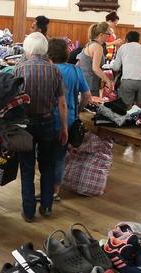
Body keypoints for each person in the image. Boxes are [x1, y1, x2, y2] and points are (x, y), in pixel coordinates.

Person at [13, 32, 67, 222]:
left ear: (27, 49)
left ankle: (28, 212)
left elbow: (13, 101)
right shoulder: (54, 71)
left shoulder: (19, 69)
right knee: (48, 166)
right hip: (48, 122)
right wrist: (64, 127)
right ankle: (46, 207)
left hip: (25, 124)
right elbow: (62, 103)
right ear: (45, 49)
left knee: (26, 167)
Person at [47, 38, 91, 201]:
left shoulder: (48, 70)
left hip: (47, 119)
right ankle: (54, 191)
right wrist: (78, 110)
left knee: (44, 156)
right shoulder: (75, 70)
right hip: (68, 119)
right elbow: (87, 96)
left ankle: (45, 188)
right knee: (59, 157)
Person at [112, 31, 141, 107]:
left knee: (125, 107)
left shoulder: (123, 47)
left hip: (128, 80)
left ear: (126, 39)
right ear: (138, 40)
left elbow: (115, 67)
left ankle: (126, 116)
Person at [77, 22, 114, 97]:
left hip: (83, 82)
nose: (109, 36)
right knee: (91, 107)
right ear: (101, 34)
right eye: (108, 34)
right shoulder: (97, 47)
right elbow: (95, 68)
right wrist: (108, 81)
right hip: (90, 84)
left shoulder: (89, 44)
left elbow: (78, 64)